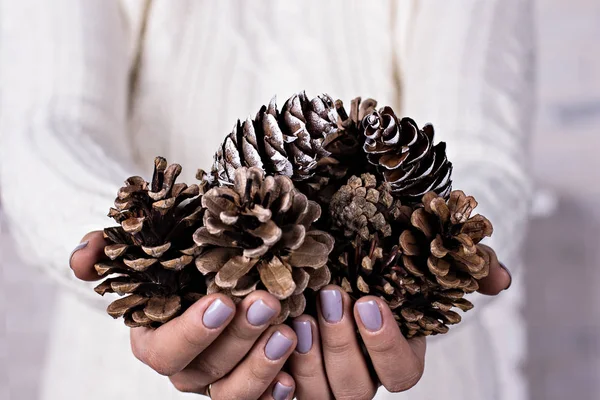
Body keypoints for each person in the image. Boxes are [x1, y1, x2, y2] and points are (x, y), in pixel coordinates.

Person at [0, 0, 534, 399]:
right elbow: (48, 123)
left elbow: (483, 151)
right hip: (126, 371)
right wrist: (136, 238)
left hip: (410, 365)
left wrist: (440, 255)